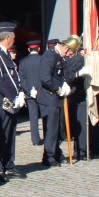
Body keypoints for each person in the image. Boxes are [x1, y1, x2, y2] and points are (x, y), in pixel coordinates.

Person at [0, 21, 25, 182]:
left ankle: (8, 163)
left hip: (10, 102)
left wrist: (20, 92)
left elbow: (13, 77)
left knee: (9, 135)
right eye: (14, 37)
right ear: (8, 38)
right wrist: (13, 97)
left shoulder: (4, 54)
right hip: (1, 102)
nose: (14, 40)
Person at [36, 37, 76, 166]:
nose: (70, 55)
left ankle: (56, 152)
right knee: (51, 129)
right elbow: (45, 78)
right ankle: (49, 156)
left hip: (56, 98)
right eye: (70, 52)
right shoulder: (50, 56)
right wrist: (58, 89)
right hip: (49, 97)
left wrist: (64, 83)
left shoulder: (58, 56)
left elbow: (59, 75)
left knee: (58, 128)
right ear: (66, 47)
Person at [20, 40, 45, 146]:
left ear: (28, 49)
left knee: (33, 117)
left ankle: (35, 139)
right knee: (45, 116)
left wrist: (29, 90)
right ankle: (47, 137)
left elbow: (21, 79)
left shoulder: (23, 61)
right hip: (43, 92)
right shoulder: (43, 60)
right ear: (39, 49)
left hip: (30, 92)